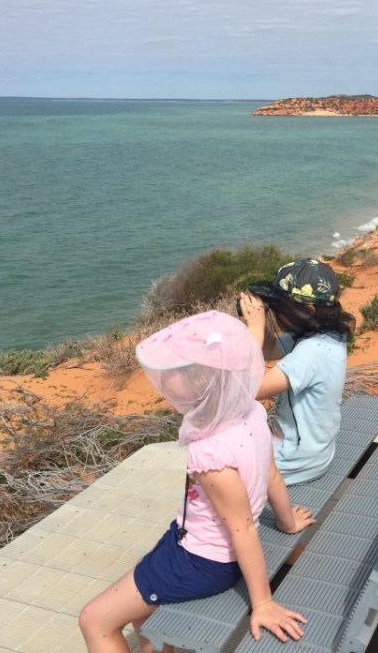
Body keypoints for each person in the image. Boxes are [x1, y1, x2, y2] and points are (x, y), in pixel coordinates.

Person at [78, 310, 316, 653]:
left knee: (94, 620)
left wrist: (262, 603)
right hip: (196, 543)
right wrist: (287, 521)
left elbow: (243, 529)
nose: (165, 381)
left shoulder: (210, 452)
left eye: (175, 373)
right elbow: (271, 475)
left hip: (204, 561)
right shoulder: (250, 410)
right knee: (143, 619)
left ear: (201, 382)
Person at [238, 259, 353, 485]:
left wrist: (254, 329)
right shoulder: (324, 335)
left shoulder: (313, 352)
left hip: (296, 461)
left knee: (218, 471)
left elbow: (252, 389)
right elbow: (271, 349)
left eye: (281, 306)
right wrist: (261, 322)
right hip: (311, 451)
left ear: (308, 311)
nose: (278, 311)